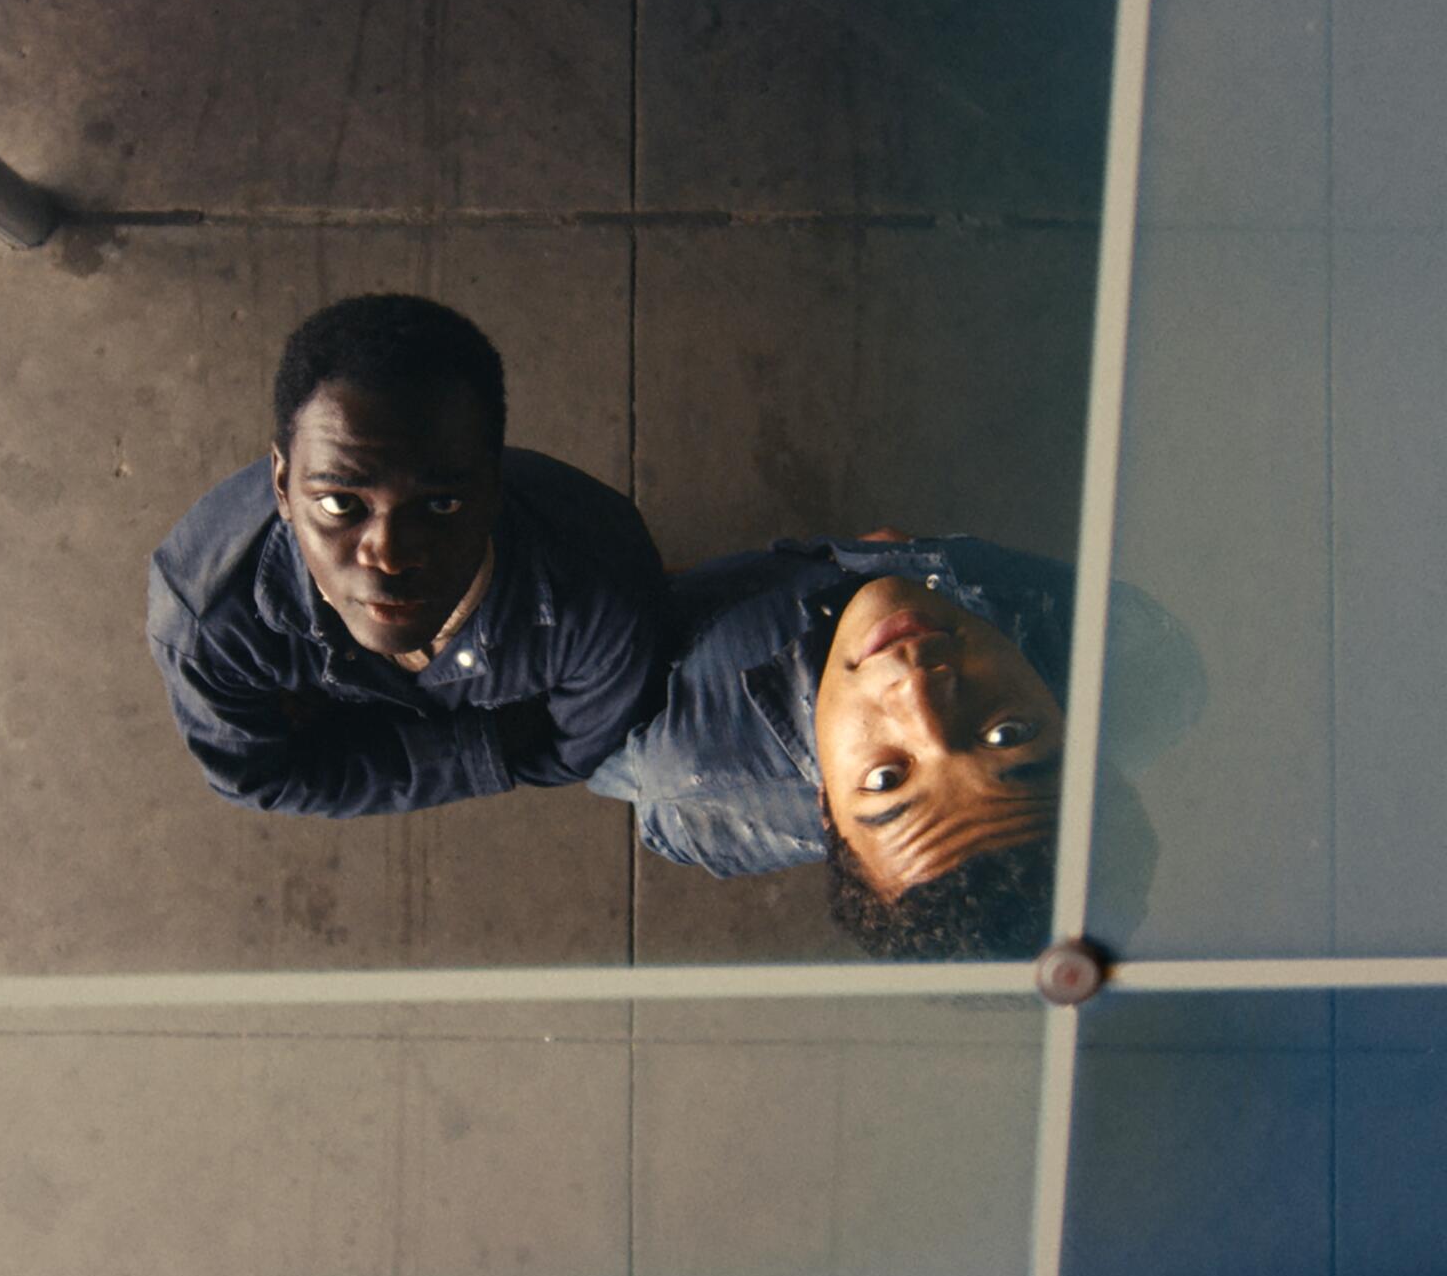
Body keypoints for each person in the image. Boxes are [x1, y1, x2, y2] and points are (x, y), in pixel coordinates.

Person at [148, 294, 666, 818]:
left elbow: (572, 754)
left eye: (441, 504)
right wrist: (493, 740)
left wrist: (334, 737)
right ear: (281, 484)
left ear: (495, 485)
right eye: (339, 503)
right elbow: (262, 780)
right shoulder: (205, 617)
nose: (389, 556)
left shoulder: (608, 591)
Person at [589, 533, 1093, 959]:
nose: (917, 688)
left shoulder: (686, 774)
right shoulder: (1114, 638)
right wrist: (878, 558)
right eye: (1008, 734)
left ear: (826, 806)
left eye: (886, 779)